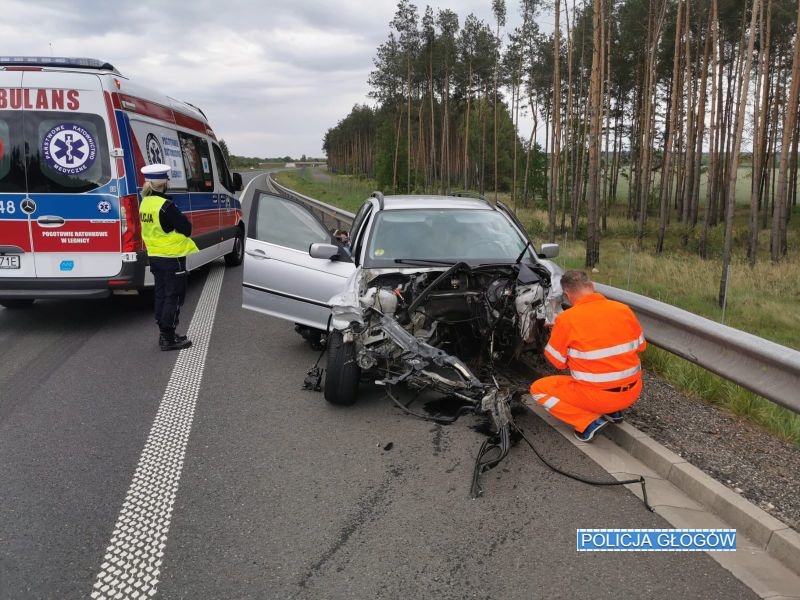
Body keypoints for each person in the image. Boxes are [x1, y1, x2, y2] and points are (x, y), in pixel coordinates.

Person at [529, 270, 646, 442]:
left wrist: (557, 332)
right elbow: (641, 346)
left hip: (597, 398)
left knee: (538, 390)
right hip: (633, 392)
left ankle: (587, 423)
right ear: (592, 286)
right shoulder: (623, 309)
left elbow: (558, 363)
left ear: (568, 295)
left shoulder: (566, 320)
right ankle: (614, 413)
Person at [139, 163, 199, 351]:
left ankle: (165, 333)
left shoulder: (145, 203)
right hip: (172, 257)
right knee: (174, 296)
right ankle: (168, 338)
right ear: (164, 182)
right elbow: (186, 229)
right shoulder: (166, 206)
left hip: (155, 256)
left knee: (161, 294)